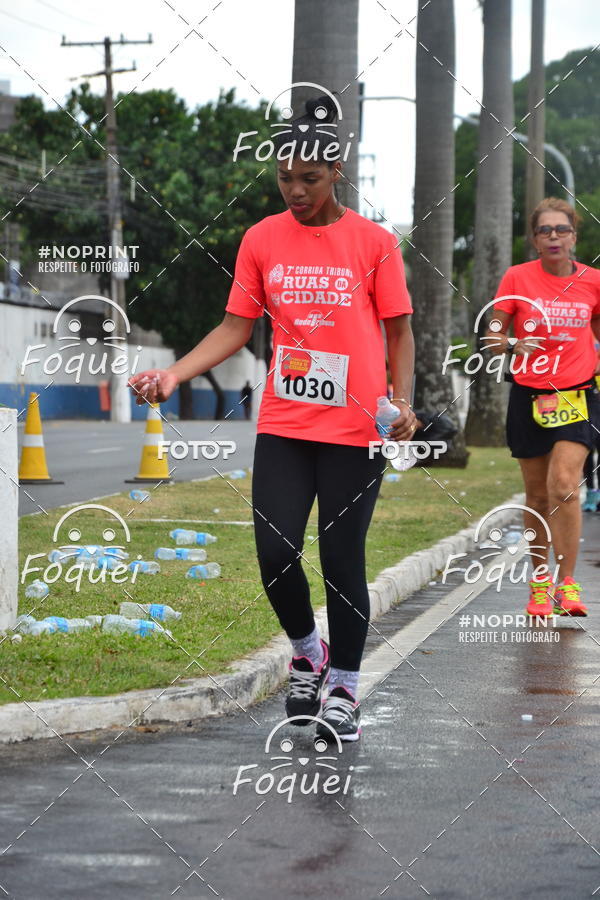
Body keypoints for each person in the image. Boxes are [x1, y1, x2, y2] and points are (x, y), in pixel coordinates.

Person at [128, 95, 416, 742]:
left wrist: (404, 401)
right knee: (275, 552)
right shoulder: (262, 239)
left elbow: (399, 332)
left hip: (355, 430)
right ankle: (308, 651)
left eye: (309, 178)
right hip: (285, 422)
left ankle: (344, 686)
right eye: (285, 177)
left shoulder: (374, 243)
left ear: (336, 171)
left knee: (341, 558)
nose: (295, 190)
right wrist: (173, 374)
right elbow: (236, 326)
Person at [487, 198, 600, 618]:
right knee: (536, 497)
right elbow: (493, 334)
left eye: (561, 229)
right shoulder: (517, 278)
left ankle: (567, 584)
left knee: (565, 485)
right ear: (535, 239)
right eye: (545, 230)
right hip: (529, 395)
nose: (554, 236)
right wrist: (513, 343)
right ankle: (539, 584)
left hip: (577, 394)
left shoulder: (593, 281)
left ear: (574, 236)